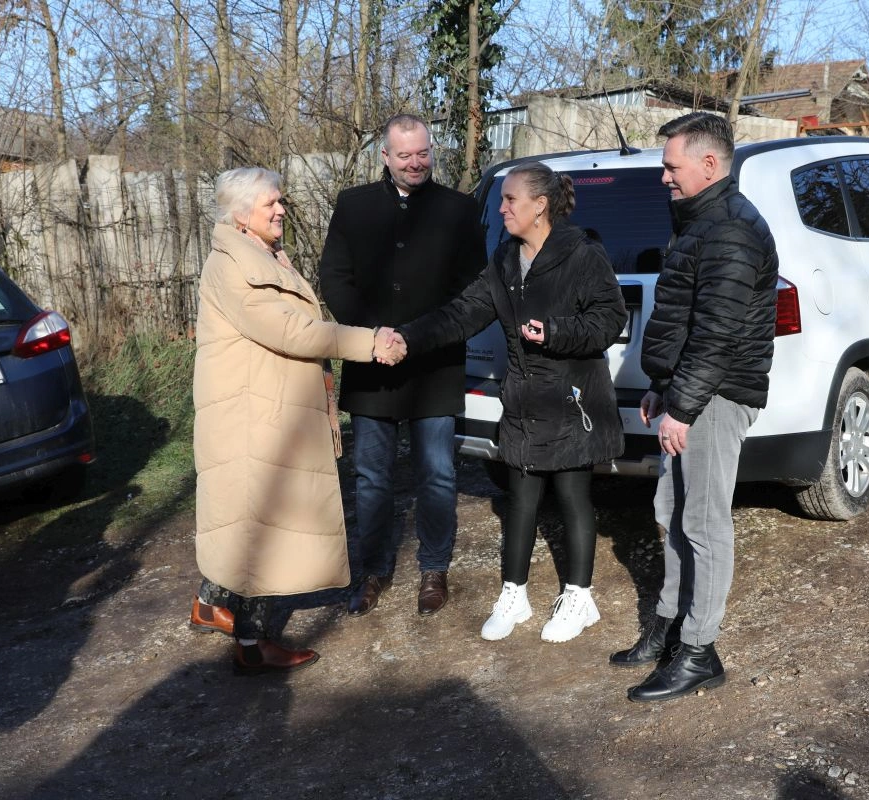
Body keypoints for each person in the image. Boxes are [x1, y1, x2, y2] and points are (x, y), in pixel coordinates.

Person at [389, 161, 626, 643]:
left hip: (571, 395)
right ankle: (514, 595)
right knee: (520, 499)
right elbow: (462, 313)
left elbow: (610, 318)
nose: (501, 208)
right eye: (501, 200)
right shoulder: (503, 260)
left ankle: (580, 598)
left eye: (510, 200)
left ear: (540, 206)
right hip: (521, 396)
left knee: (572, 495)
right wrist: (409, 338)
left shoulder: (583, 255)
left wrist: (556, 332)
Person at [191, 166, 405, 675]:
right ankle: (252, 642)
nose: (281, 209)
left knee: (251, 520)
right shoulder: (234, 266)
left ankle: (213, 603)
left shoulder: (256, 254)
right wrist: (367, 342)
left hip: (265, 410)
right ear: (242, 215)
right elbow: (291, 330)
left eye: (280, 201)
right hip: (255, 418)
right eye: (271, 204)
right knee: (266, 526)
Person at [610, 113, 779, 701]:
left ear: (709, 164)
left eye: (669, 166)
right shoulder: (701, 222)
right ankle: (670, 625)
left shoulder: (730, 230)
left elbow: (718, 336)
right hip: (691, 391)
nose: (662, 177)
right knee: (671, 510)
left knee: (704, 523)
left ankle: (700, 651)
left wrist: (683, 405)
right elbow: (687, 318)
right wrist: (663, 384)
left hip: (717, 395)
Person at [319, 113, 486, 618]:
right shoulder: (354, 205)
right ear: (385, 157)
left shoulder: (458, 210)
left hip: (434, 365)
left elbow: (471, 291)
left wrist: (417, 337)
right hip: (371, 365)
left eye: (423, 153)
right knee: (371, 476)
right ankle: (372, 571)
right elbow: (335, 277)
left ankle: (434, 569)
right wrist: (371, 337)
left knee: (436, 474)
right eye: (404, 155)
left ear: (433, 151)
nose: (416, 163)